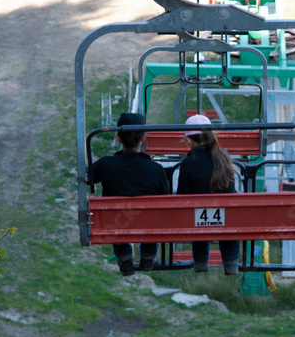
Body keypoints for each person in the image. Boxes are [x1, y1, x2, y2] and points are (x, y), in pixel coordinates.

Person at [90, 112, 170, 276]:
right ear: (143, 138)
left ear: (118, 138)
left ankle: (124, 257)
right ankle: (148, 256)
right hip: (147, 223)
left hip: (117, 223)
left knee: (115, 219)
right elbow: (165, 196)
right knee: (152, 218)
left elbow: (89, 177)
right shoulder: (155, 169)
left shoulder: (105, 164)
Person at [177, 114, 240, 275]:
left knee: (197, 216)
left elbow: (182, 196)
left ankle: (200, 261)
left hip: (199, 217)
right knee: (227, 219)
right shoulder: (224, 157)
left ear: (190, 140)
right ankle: (231, 261)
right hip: (227, 216)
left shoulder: (188, 163)